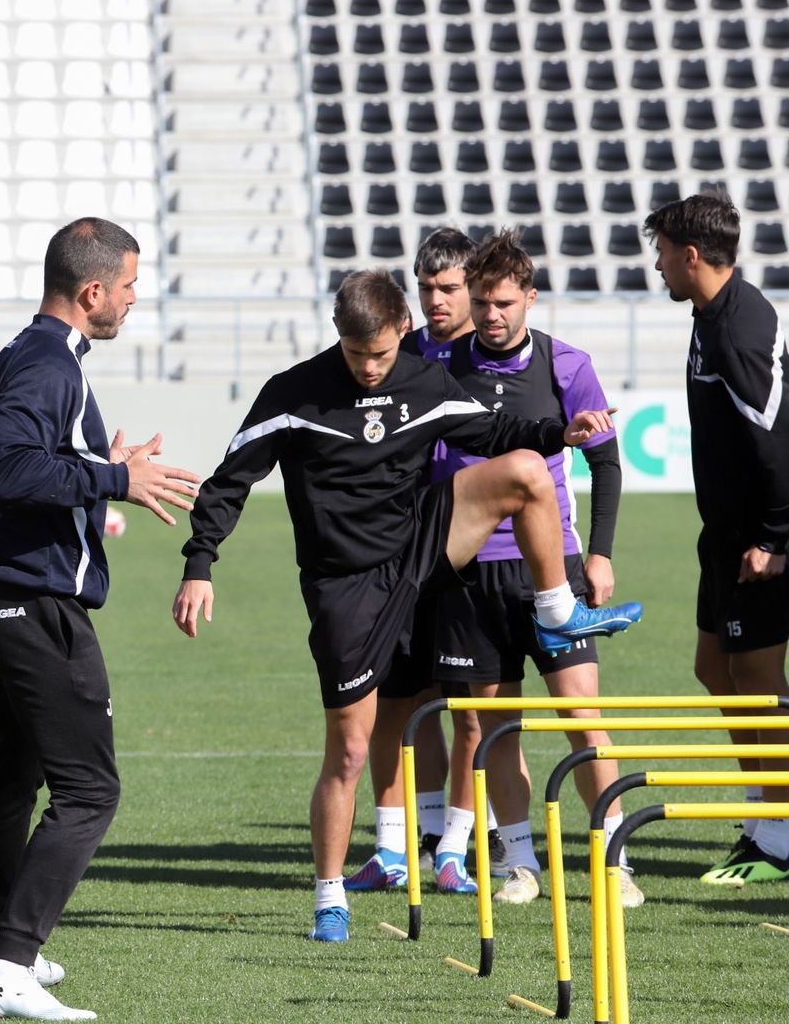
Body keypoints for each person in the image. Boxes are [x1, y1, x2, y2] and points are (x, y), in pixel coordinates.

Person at [171, 269, 643, 943]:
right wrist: (200, 564)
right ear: (340, 336)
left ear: (402, 333)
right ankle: (330, 895)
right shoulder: (293, 394)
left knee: (526, 472)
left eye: (382, 353)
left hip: (421, 544)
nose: (369, 367)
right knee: (350, 749)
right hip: (346, 585)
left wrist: (557, 432)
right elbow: (229, 481)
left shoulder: (423, 378)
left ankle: (556, 607)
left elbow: (493, 427)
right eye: (356, 353)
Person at [0, 218, 198, 1019]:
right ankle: (7, 966)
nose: (133, 299)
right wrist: (114, 479)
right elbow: (7, 468)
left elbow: (36, 462)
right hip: (31, 604)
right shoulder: (45, 363)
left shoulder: (35, 356)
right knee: (90, 789)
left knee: (15, 770)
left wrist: (104, 471)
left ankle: (0, 942)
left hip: (3, 597)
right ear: (92, 290)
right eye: (128, 286)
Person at [420, 230, 641, 908]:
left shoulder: (566, 365)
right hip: (467, 576)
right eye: (482, 301)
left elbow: (604, 461)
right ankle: (521, 862)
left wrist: (599, 553)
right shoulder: (440, 366)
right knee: (488, 728)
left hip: (551, 569)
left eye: (504, 302)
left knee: (581, 715)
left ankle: (615, 860)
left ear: (530, 299)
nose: (491, 314)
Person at [646, 193, 789, 883]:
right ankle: (764, 818)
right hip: (724, 537)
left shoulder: (739, 329)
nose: (660, 265)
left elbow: (777, 446)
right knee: (716, 671)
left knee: (760, 682)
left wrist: (776, 540)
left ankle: (779, 838)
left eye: (664, 252)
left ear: (692, 255)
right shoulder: (713, 314)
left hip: (759, 545)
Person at [346, 227, 477, 892]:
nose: (436, 300)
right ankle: (411, 842)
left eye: (448, 287)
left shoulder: (491, 353)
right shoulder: (406, 350)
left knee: (474, 702)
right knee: (403, 694)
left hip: (475, 550)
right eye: (426, 288)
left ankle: (460, 843)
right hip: (402, 546)